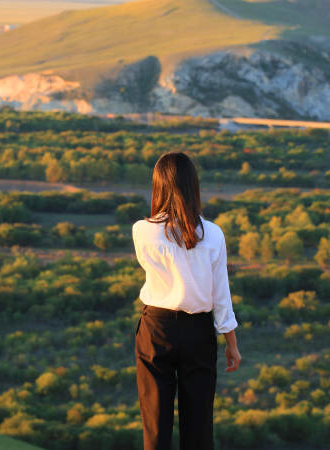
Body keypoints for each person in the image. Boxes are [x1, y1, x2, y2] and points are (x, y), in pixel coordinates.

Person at [131, 151, 241, 450]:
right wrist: (231, 343)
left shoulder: (142, 231)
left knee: (155, 427)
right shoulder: (213, 234)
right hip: (198, 332)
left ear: (158, 186)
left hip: (156, 329)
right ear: (193, 186)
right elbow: (221, 294)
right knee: (199, 427)